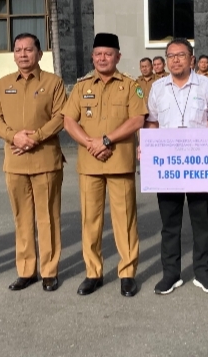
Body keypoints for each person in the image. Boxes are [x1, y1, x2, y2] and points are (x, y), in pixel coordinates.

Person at [62, 33, 147, 297]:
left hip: (119, 161)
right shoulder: (82, 87)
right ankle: (93, 273)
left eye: (108, 54)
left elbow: (137, 120)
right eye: (98, 54)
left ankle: (127, 273)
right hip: (90, 163)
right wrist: (90, 143)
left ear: (117, 57)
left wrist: (107, 140)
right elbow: (69, 121)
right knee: (90, 220)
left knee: (125, 220)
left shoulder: (131, 86)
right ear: (92, 57)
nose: (102, 58)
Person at [144, 38, 208, 295]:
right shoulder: (157, 88)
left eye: (181, 55)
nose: (175, 60)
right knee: (170, 224)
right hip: (167, 165)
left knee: (201, 222)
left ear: (192, 59)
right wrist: (145, 146)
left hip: (198, 164)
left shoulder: (207, 85)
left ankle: (203, 273)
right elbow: (152, 123)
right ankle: (171, 274)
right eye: (171, 56)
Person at [0, 33, 67, 292]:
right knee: (22, 218)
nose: (23, 54)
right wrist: (14, 137)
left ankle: (49, 271)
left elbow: (61, 116)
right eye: (18, 49)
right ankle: (26, 270)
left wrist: (36, 137)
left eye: (28, 49)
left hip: (45, 160)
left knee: (48, 218)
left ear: (39, 54)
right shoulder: (2, 85)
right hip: (15, 162)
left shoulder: (53, 83)